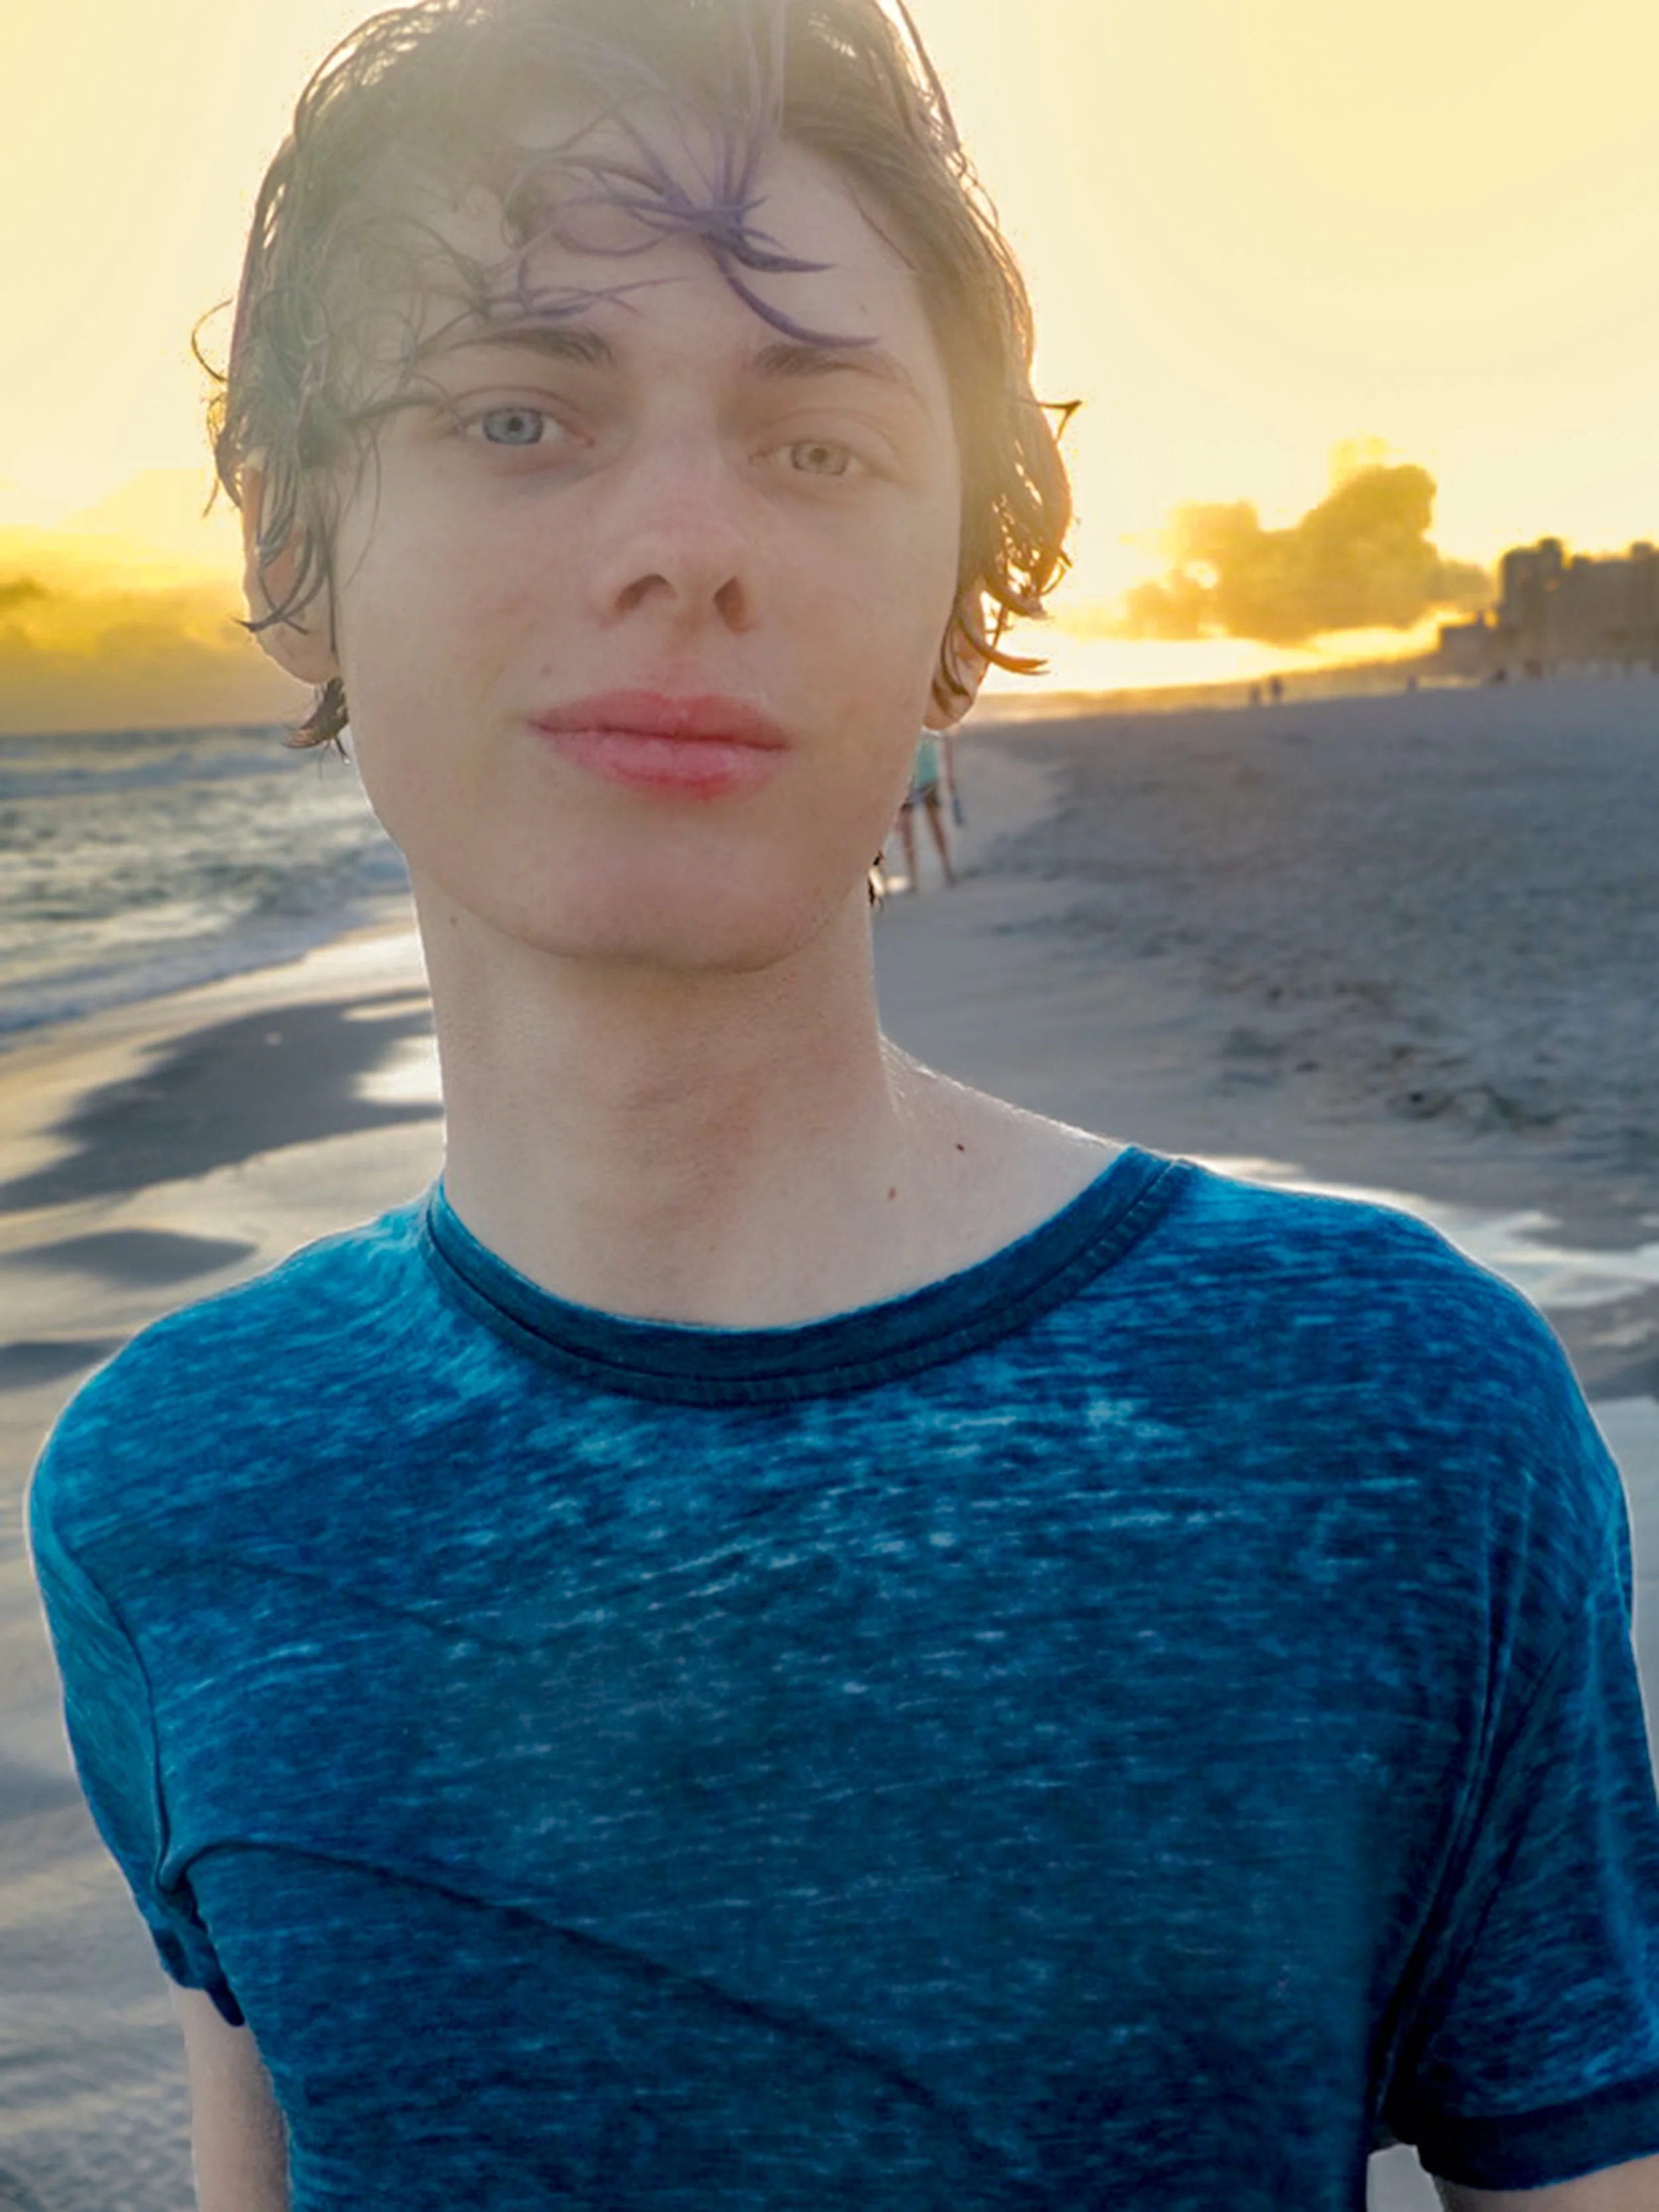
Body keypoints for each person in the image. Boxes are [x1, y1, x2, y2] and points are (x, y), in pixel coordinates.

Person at [26, 2, 1659, 2206]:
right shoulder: (175, 1485)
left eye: (818, 451)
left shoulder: (1388, 1419)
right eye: (521, 416)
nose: (686, 545)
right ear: (289, 539)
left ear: (954, 610)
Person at [895, 726, 958, 889]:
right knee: (906, 830)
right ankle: (913, 877)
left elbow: (947, 738)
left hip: (928, 777)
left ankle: (947, 867)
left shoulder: (931, 714)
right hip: (905, 780)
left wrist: (950, 775)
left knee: (936, 824)